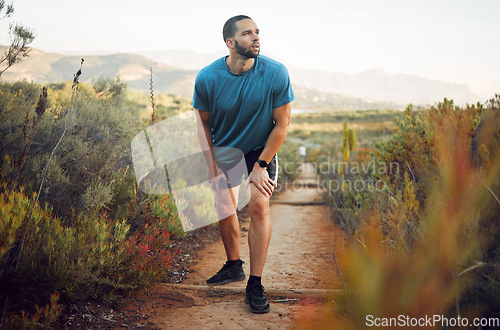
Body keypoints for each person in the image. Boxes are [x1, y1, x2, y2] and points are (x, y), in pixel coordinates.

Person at [193, 14, 294, 314]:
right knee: (224, 205)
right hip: (226, 146)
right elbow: (202, 125)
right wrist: (211, 165)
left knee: (259, 206)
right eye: (248, 33)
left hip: (260, 148)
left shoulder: (276, 72)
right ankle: (233, 265)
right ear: (231, 42)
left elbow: (282, 124)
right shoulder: (208, 77)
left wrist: (261, 164)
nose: (256, 37)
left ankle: (255, 283)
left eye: (257, 32)